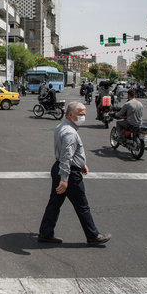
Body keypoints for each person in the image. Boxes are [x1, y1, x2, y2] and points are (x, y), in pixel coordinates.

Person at [38, 102, 111, 245]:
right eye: (80, 114)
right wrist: (65, 179)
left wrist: (81, 164)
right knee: (82, 206)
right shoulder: (70, 132)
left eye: (84, 114)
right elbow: (66, 156)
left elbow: (69, 153)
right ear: (71, 114)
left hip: (62, 168)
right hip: (69, 173)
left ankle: (45, 233)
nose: (83, 116)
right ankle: (92, 236)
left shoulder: (63, 126)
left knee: (55, 203)